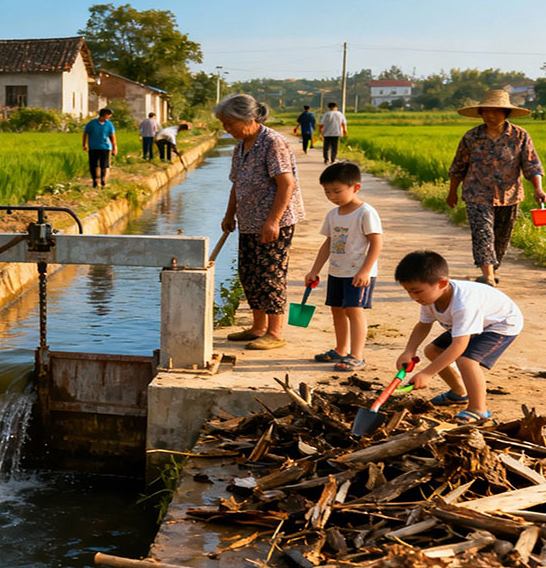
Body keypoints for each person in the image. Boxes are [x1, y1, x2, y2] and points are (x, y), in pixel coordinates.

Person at [218, 94, 305, 350]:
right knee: (249, 274)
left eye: (229, 123)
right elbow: (237, 184)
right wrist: (229, 214)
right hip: (249, 221)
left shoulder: (273, 143)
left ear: (249, 118)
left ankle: (275, 333)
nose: (226, 128)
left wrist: (273, 221)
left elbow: (286, 184)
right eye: (224, 123)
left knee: (270, 275)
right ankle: (258, 327)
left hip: (274, 221)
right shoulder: (241, 145)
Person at [395, 250, 523, 424]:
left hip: (500, 323)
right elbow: (423, 325)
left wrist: (427, 373)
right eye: (409, 292)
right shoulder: (429, 298)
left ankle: (478, 409)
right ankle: (458, 392)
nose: (413, 297)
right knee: (433, 351)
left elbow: (459, 345)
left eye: (416, 292)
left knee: (466, 361)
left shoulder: (463, 304)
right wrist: (408, 351)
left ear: (442, 283)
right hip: (472, 323)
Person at [446, 89, 546, 286]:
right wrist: (452, 192)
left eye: (496, 111)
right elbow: (458, 166)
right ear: (481, 113)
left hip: (509, 195)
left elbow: (532, 165)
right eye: (486, 111)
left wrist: (538, 189)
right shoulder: (471, 137)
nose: (491, 115)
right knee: (483, 233)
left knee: (501, 238)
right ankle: (488, 276)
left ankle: (492, 268)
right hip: (477, 194)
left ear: (506, 113)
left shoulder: (520, 136)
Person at [305, 162, 383, 371]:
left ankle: (356, 355)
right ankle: (341, 349)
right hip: (337, 271)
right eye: (327, 192)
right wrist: (315, 270)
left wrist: (365, 270)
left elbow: (376, 242)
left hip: (358, 273)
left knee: (354, 310)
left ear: (355, 187)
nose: (332, 196)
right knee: (337, 310)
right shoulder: (333, 215)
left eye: (337, 191)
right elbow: (328, 244)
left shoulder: (365, 212)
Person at [82, 108, 117, 187]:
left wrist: (114, 147)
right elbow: (85, 134)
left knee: (104, 165)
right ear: (105, 115)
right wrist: (84, 144)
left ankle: (103, 180)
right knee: (93, 165)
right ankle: (95, 180)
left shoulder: (109, 124)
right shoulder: (91, 123)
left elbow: (112, 136)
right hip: (93, 147)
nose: (109, 117)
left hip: (105, 147)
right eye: (109, 115)